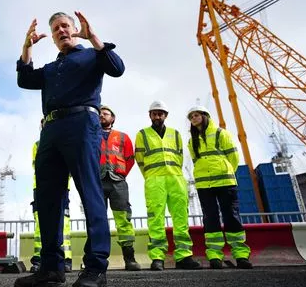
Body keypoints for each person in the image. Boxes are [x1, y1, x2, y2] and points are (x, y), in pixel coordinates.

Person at [13, 11, 124, 287]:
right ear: (52, 37)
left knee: (90, 193)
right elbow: (24, 80)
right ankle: (51, 268)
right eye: (55, 29)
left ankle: (96, 267)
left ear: (75, 30)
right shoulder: (51, 68)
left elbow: (117, 68)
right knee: (48, 199)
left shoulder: (91, 56)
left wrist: (95, 38)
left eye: (65, 26)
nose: (61, 30)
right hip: (51, 130)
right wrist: (26, 47)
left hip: (82, 125)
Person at [134, 101, 201, 271]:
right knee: (155, 218)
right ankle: (157, 257)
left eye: (161, 113)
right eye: (154, 113)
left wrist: (174, 173)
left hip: (176, 178)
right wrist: (150, 175)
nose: (157, 116)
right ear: (150, 115)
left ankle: (184, 256)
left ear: (166, 115)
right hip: (154, 180)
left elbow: (179, 156)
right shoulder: (142, 134)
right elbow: (140, 159)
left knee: (181, 217)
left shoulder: (175, 134)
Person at [187, 106, 252, 269]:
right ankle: (215, 255)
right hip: (204, 184)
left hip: (225, 182)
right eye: (191, 117)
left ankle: (241, 255)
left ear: (205, 116)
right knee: (210, 218)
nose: (193, 119)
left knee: (231, 216)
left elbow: (233, 156)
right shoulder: (191, 140)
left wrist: (226, 171)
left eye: (196, 115)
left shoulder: (221, 133)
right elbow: (196, 160)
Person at [99, 105, 140, 271]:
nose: (102, 115)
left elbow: (130, 159)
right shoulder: (90, 135)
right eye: (100, 113)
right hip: (97, 182)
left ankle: (129, 258)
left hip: (118, 183)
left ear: (112, 118)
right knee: (97, 220)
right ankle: (98, 259)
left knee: (123, 220)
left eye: (106, 113)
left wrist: (121, 174)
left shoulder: (123, 137)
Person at [30, 119, 73, 274]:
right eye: (43, 123)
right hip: (41, 188)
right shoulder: (37, 145)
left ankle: (66, 259)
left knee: (64, 224)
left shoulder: (65, 142)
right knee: (40, 225)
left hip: (62, 188)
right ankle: (39, 259)